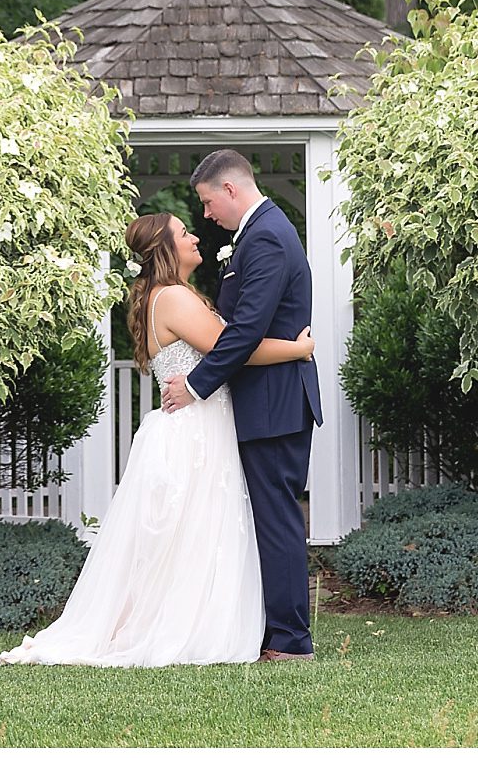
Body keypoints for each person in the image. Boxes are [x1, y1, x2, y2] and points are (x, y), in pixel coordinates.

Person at [0, 212, 313, 667]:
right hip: (196, 430)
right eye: (184, 233)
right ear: (166, 248)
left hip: (200, 423)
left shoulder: (170, 296)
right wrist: (298, 349)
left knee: (197, 534)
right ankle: (182, 629)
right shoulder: (175, 300)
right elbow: (234, 349)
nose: (195, 235)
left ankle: (203, 621)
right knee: (194, 533)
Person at [159, 149, 323, 662]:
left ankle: (291, 642)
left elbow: (247, 330)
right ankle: (275, 632)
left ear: (230, 190)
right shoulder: (256, 235)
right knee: (271, 518)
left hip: (275, 403)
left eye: (208, 202)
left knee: (277, 520)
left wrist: (198, 385)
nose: (206, 215)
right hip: (265, 401)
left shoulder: (268, 236)